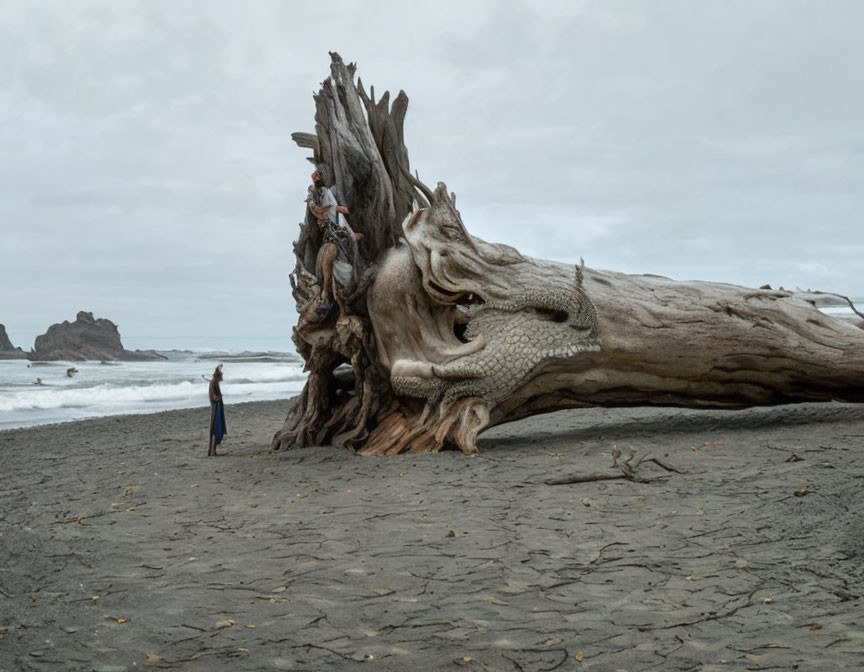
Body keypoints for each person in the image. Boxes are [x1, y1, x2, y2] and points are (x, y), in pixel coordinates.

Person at [208, 364, 226, 456]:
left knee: (217, 429)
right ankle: (212, 451)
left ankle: (213, 451)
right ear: (218, 376)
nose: (222, 377)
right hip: (216, 409)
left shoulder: (215, 382)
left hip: (218, 408)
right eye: (221, 375)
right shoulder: (213, 383)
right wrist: (219, 397)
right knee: (216, 429)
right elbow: (214, 398)